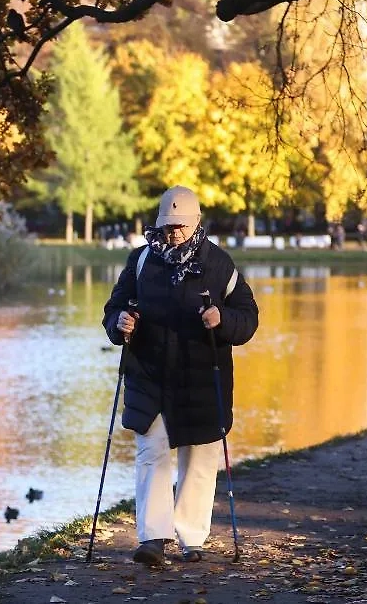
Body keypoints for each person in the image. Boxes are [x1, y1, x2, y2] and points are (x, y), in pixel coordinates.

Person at [102, 185, 259, 566]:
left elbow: (248, 318)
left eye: (180, 227)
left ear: (196, 224)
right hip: (150, 374)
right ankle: (153, 538)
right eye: (167, 226)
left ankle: (191, 537)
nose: (172, 234)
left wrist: (223, 320)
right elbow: (114, 308)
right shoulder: (140, 262)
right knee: (151, 451)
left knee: (200, 457)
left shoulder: (220, 265)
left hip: (203, 378)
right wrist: (118, 323)